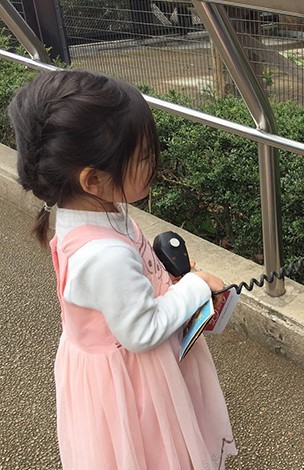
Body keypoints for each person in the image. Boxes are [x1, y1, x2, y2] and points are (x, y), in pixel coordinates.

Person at [9, 70, 237, 469]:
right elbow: (141, 331)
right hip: (134, 381)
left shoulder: (92, 212)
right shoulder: (102, 256)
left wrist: (167, 279)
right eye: (144, 156)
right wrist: (196, 287)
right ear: (93, 179)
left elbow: (131, 284)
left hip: (120, 368)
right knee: (151, 451)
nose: (155, 162)